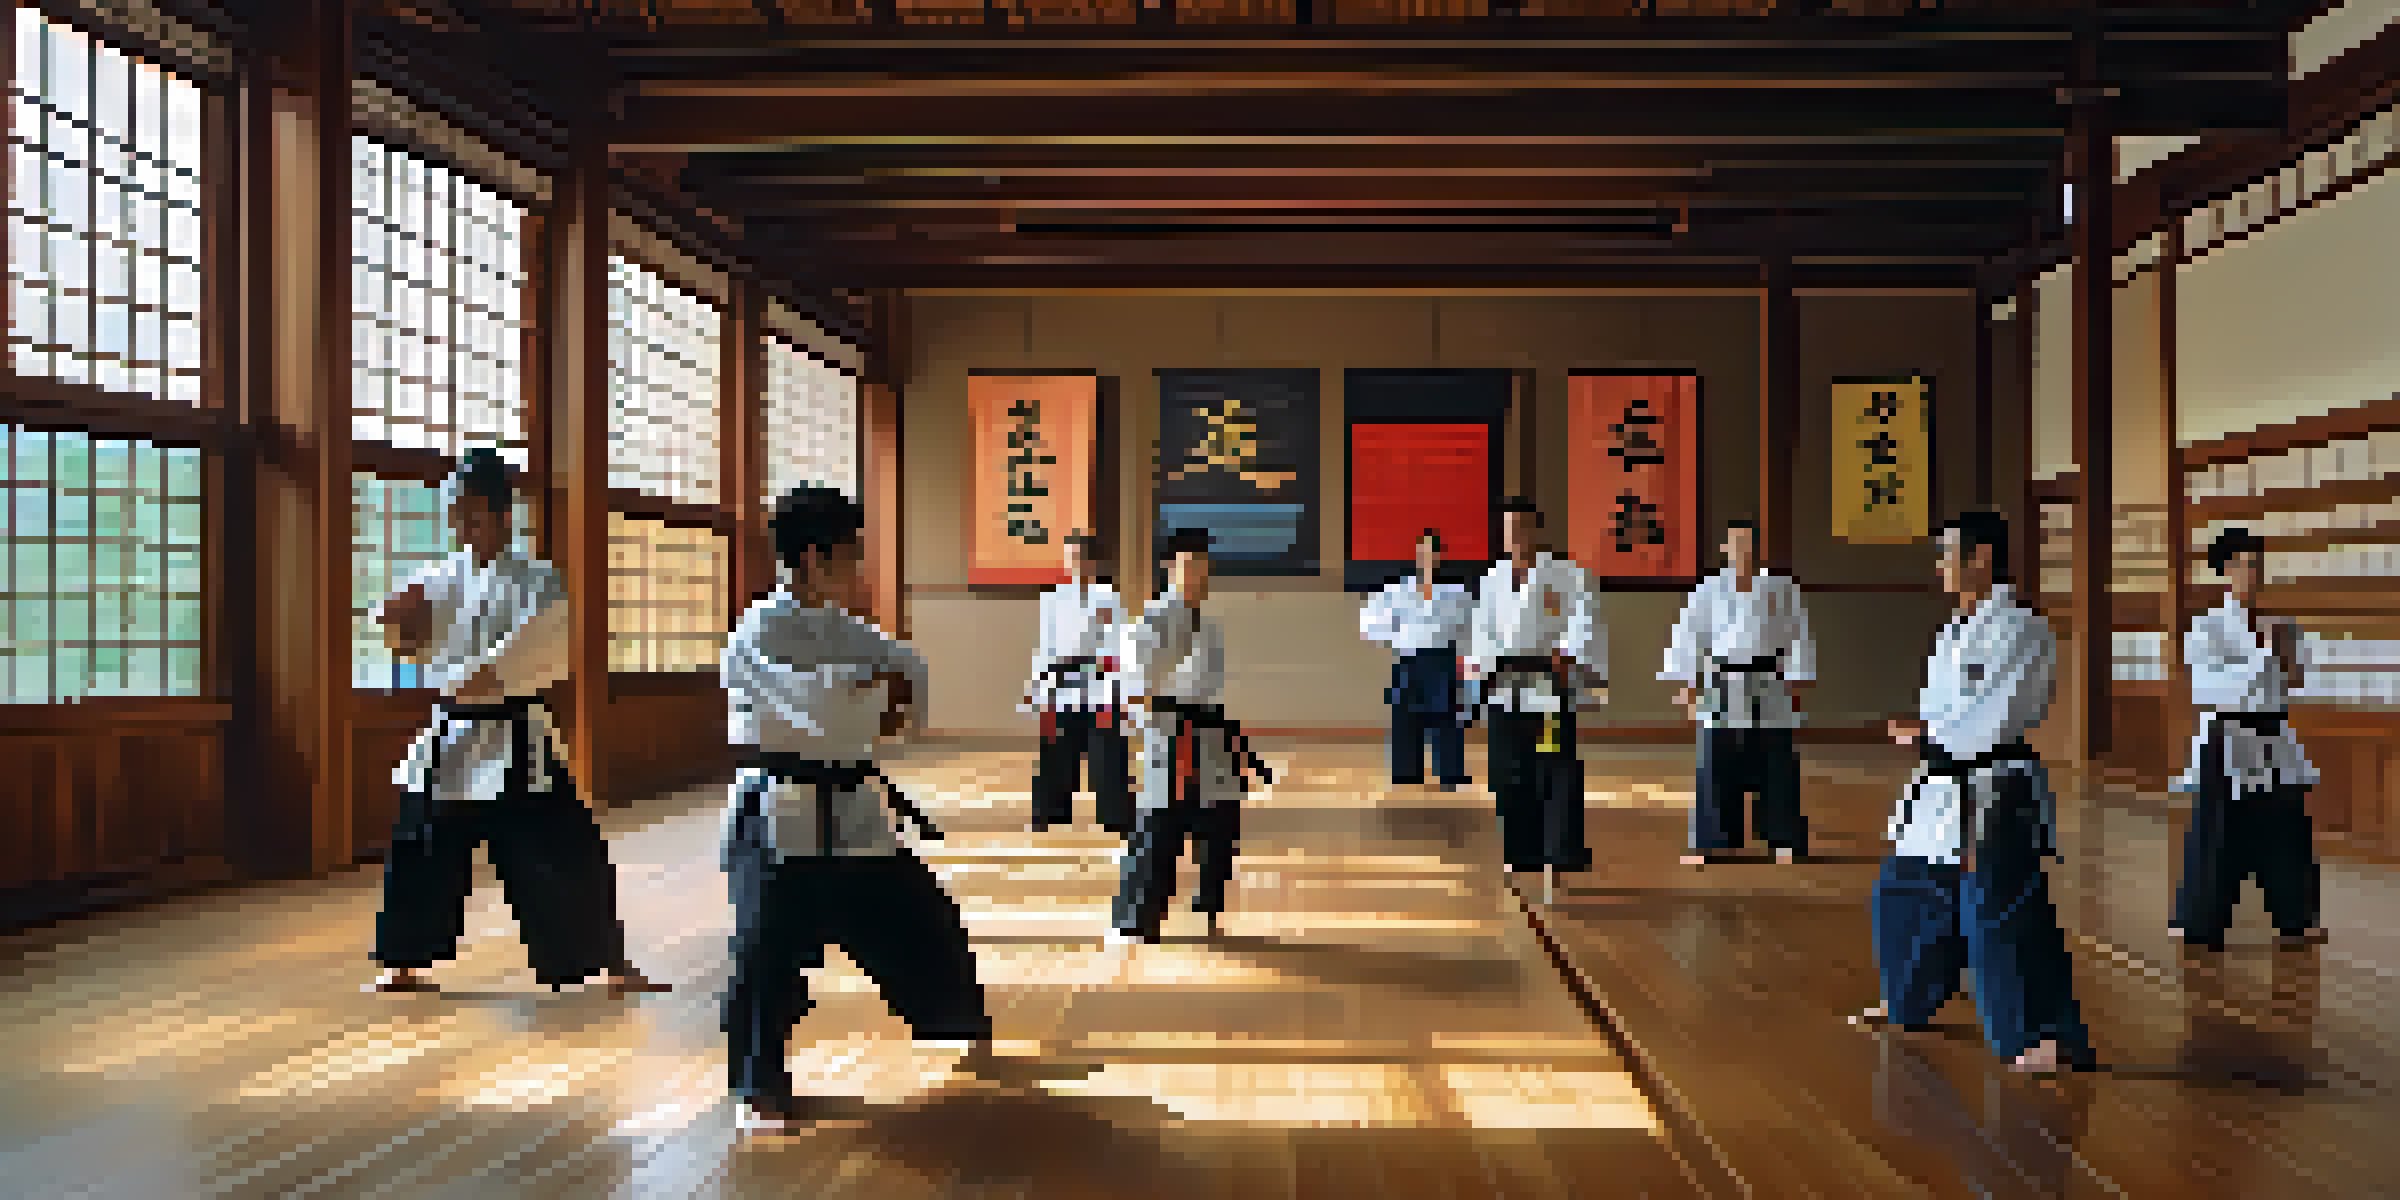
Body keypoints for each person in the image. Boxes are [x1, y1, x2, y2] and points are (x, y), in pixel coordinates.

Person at [719, 484, 1016, 1130]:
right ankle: (757, 1087)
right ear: (813, 559)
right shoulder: (760, 632)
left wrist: (877, 693)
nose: (860, 568)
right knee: (767, 951)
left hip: (851, 807)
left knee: (921, 916)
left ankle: (951, 1019)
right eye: (852, 554)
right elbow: (821, 711)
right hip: (780, 815)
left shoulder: (843, 628)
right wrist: (866, 695)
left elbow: (906, 669)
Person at [367, 448, 665, 996]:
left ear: (506, 516)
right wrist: (392, 622)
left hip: (514, 734)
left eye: (475, 515)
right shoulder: (437, 579)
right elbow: (405, 645)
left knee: (563, 847)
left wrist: (481, 673)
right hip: (452, 734)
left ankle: (607, 963)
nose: (464, 526)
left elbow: (544, 644)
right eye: (456, 514)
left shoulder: (539, 581)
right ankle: (404, 960)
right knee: (420, 846)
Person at [1853, 511, 2093, 1075]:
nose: (1940, 566)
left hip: (1995, 786)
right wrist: (1926, 732)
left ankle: (2045, 1035)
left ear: (1981, 557)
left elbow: (2001, 714)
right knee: (1903, 888)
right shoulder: (1954, 630)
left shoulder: (2022, 629)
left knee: (1998, 908)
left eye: (1947, 554)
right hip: (1940, 785)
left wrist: (1929, 733)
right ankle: (1910, 999)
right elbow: (1942, 710)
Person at [2170, 528, 2326, 951]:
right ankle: (2199, 919)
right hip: (2229, 736)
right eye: (2244, 564)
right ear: (2225, 570)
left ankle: (2297, 917)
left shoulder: (2279, 622)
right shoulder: (2207, 627)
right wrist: (2263, 654)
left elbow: (2295, 680)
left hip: (2273, 734)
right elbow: (2207, 689)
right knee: (2218, 830)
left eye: (2258, 564)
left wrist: (2284, 649)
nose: (2253, 573)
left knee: (2287, 827)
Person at [1110, 528, 1268, 944]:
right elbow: (1135, 683)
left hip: (1209, 732)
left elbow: (1209, 686)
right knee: (1159, 826)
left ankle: (1208, 904)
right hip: (1172, 732)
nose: (1198, 573)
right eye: (1188, 565)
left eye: (1203, 565)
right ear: (1169, 568)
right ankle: (1135, 918)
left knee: (1221, 821)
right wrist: (1151, 734)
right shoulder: (1155, 619)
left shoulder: (1207, 624)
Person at [1467, 496, 1602, 903]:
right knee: (1509, 768)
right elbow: (1481, 631)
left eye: (1523, 529)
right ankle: (1519, 851)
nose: (1517, 537)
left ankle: (1558, 851)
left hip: (1547, 681)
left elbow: (1586, 620)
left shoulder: (1566, 575)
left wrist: (1568, 655)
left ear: (1537, 532)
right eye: (1509, 530)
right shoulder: (1492, 578)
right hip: (1506, 683)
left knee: (1553, 763)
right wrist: (1486, 670)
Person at [1661, 518, 1818, 866]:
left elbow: (1798, 636)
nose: (1742, 550)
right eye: (1736, 543)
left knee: (1776, 759)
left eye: (1749, 544)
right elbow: (1689, 636)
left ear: (1758, 550)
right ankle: (1711, 841)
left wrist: (1796, 681)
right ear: (1725, 548)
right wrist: (1688, 684)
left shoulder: (1780, 587)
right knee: (1715, 758)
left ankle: (1783, 839)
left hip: (1769, 678)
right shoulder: (1709, 589)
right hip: (1721, 678)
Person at [1024, 531, 1133, 836]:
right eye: (1072, 558)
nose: (1078, 564)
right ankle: (1050, 814)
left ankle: (1116, 817)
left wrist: (1121, 689)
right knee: (1056, 753)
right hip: (1060, 685)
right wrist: (1037, 685)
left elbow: (1118, 645)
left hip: (1100, 684)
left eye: (1083, 558)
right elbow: (1045, 647)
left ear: (1094, 562)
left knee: (1107, 755)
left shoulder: (1110, 598)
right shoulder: (1053, 598)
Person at [1358, 528, 1476, 791]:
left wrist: (1468, 665)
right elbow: (1369, 622)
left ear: (1441, 556)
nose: (1429, 557)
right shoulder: (1398, 590)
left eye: (1434, 552)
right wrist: (1396, 634)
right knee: (1404, 718)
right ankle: (1405, 773)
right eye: (1424, 552)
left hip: (1443, 662)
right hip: (1409, 661)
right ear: (1417, 555)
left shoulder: (1458, 593)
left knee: (1446, 720)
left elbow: (1471, 629)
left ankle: (1451, 774)